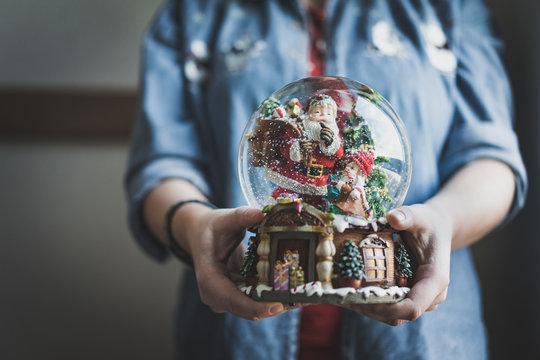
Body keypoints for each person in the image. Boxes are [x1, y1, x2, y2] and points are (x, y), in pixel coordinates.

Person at [124, 0, 527, 359]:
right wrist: (194, 226)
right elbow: (163, 162)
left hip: (422, 343)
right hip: (237, 338)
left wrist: (445, 220)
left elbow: (490, 157)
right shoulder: (195, 11)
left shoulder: (447, 9)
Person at [267, 94, 343, 206]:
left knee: (318, 206)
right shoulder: (299, 128)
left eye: (328, 114)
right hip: (296, 177)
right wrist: (298, 147)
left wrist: (331, 143)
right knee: (283, 199)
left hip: (321, 182)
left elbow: (339, 155)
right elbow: (284, 148)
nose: (323, 115)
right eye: (317, 112)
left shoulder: (334, 135)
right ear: (309, 114)